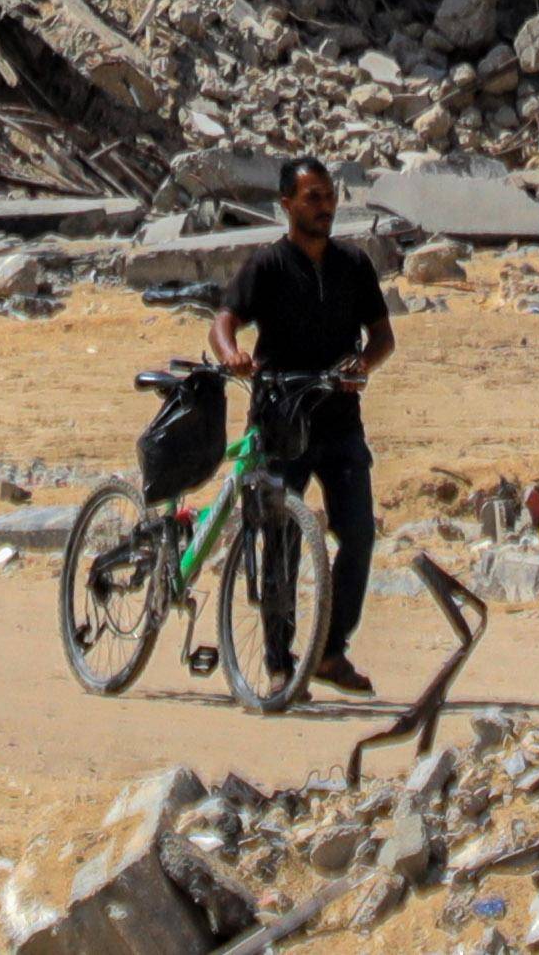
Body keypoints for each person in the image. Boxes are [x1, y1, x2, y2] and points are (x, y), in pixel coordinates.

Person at [214, 156, 397, 694]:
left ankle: (327, 650)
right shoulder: (267, 266)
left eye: (327, 196)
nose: (324, 207)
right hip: (280, 421)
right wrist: (232, 354)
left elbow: (383, 337)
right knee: (282, 541)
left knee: (359, 534)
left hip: (340, 420)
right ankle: (277, 661)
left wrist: (364, 365)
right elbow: (224, 321)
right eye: (312, 197)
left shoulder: (355, 265)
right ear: (287, 205)